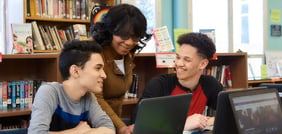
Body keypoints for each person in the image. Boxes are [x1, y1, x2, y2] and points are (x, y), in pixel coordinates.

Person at [132, 32, 224, 131]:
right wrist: (183, 125)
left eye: (187, 60)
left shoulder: (210, 84)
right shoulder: (159, 85)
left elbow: (230, 112)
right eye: (178, 57)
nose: (179, 63)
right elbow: (138, 127)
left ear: (202, 64)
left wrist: (208, 121)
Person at [28, 40, 115, 134]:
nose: (104, 75)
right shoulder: (49, 92)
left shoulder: (89, 97)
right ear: (75, 71)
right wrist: (76, 132)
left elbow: (109, 130)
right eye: (98, 68)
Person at [90, 3, 151, 134]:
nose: (129, 42)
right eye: (124, 35)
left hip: (115, 125)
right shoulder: (95, 52)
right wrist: (121, 127)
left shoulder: (128, 54)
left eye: (135, 37)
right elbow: (95, 98)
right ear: (110, 30)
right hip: (93, 126)